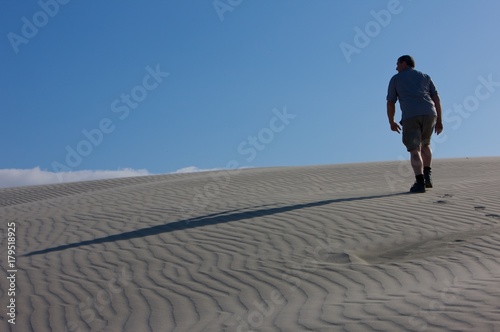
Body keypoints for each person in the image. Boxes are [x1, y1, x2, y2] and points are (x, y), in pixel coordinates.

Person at [386, 55, 443, 193]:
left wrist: (391, 121)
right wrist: (439, 120)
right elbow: (436, 98)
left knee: (414, 149)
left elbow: (390, 102)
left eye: (397, 64)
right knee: (426, 144)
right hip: (430, 113)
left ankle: (420, 181)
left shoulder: (396, 79)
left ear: (404, 64)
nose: (396, 67)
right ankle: (428, 174)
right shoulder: (425, 76)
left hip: (411, 115)